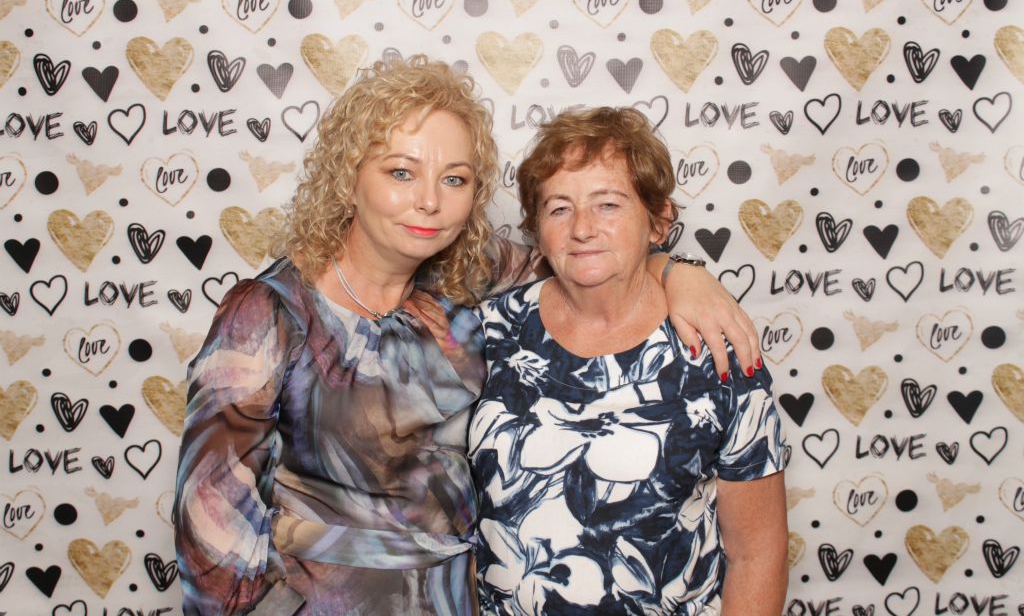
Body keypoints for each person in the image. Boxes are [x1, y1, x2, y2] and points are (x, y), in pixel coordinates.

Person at [173, 57, 760, 615]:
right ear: (348, 178)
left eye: (453, 179)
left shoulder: (463, 279)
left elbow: (588, 254)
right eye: (401, 172)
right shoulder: (270, 313)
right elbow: (211, 525)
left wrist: (678, 271)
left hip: (455, 600)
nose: (429, 201)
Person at [470, 107, 788, 615]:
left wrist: (677, 271)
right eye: (559, 208)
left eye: (608, 204)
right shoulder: (487, 333)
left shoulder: (715, 344)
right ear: (536, 229)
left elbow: (758, 555)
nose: (582, 228)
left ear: (658, 221)